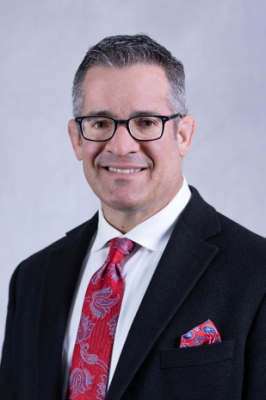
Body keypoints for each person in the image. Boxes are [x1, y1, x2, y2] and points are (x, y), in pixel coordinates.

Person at [0, 34, 266, 400]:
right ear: (77, 139)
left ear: (183, 135)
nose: (121, 146)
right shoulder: (31, 280)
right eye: (99, 123)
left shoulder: (257, 273)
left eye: (144, 122)